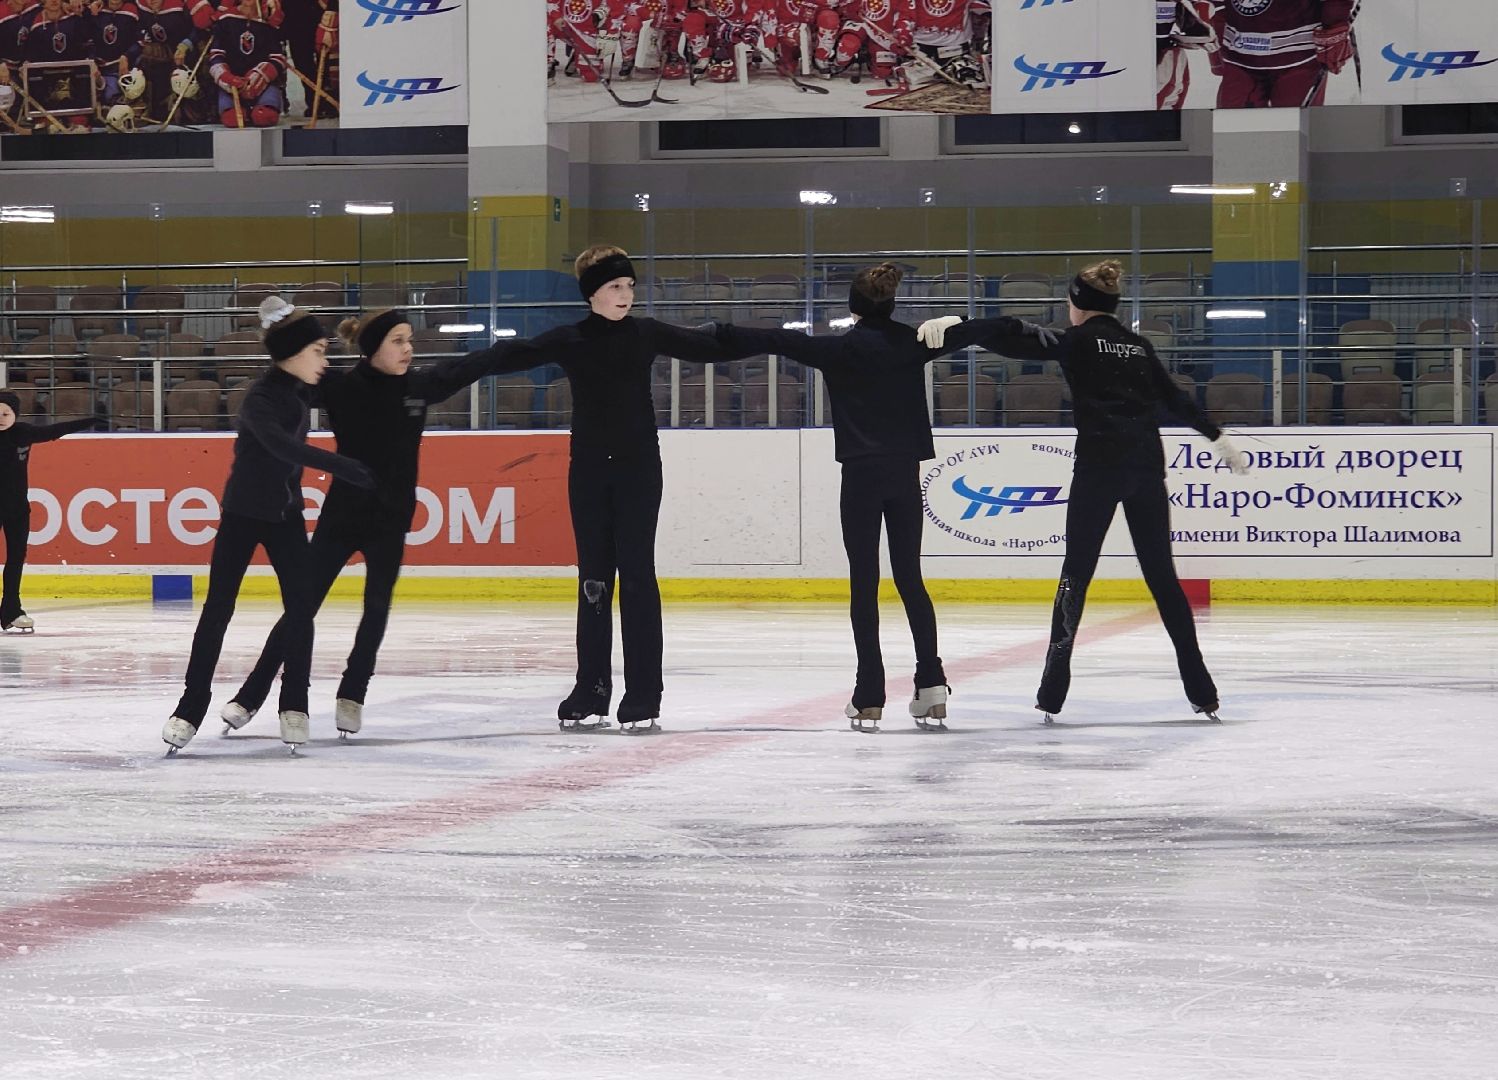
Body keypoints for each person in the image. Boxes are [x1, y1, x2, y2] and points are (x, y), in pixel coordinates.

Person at [711, 262, 1050, 731]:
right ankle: (931, 683)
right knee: (910, 578)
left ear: (853, 307)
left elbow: (772, 338)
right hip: (903, 475)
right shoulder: (914, 344)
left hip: (861, 479)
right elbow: (988, 329)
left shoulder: (838, 350)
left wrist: (719, 330)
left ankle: (869, 693)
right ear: (892, 303)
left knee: (863, 583)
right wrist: (963, 321)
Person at [918, 259, 1248, 723]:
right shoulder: (1137, 346)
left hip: (1099, 469)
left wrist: (962, 327)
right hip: (1146, 470)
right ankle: (1203, 692)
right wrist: (1217, 436)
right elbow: (1176, 400)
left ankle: (1052, 692)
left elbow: (1015, 334)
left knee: (1075, 577)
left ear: (1077, 303)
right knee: (1164, 580)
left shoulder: (1076, 342)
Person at [219, 309, 536, 739]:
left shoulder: (420, 386)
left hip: (390, 519)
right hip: (341, 517)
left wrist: (545, 346)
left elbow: (481, 362)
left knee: (376, 608)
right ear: (372, 348)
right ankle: (252, 693)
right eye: (398, 341)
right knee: (302, 606)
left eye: (409, 340)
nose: (409, 348)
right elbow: (285, 380)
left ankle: (353, 693)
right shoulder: (341, 387)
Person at [491, 243, 732, 734]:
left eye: (629, 286)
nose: (626, 294)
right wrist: (433, 377)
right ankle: (592, 688)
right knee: (594, 580)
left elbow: (709, 346)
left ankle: (644, 691)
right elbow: (506, 357)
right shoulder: (571, 339)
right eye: (615, 286)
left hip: (639, 468)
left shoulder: (645, 333)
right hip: (589, 473)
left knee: (639, 577)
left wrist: (789, 342)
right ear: (592, 293)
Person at [161, 298, 374, 755]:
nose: (325, 360)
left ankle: (294, 702)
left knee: (302, 609)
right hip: (242, 515)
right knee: (218, 610)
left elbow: (355, 385)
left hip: (286, 516)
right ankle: (190, 705)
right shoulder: (259, 398)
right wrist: (343, 465)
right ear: (294, 354)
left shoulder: (304, 386)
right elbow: (281, 446)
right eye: (318, 351)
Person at [0, 390, 101, 633]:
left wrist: (91, 420)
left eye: (6, 413)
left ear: (15, 414)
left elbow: (56, 430)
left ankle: (11, 611)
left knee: (15, 559)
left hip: (17, 509)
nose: (1, 418)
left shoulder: (23, 433)